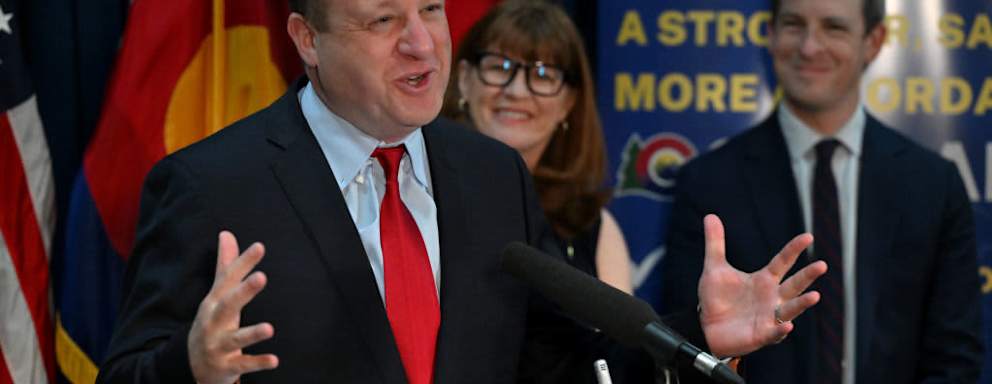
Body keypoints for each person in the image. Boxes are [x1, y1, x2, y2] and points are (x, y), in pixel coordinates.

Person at [95, 0, 826, 383]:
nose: (423, 44)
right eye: (384, 20)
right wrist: (188, 368)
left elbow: (560, 367)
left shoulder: (490, 175)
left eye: (433, 10)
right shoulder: (211, 185)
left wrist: (695, 335)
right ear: (307, 39)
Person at [660, 0, 983, 383]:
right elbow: (681, 349)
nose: (810, 47)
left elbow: (955, 358)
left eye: (834, 28)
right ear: (771, 33)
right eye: (794, 24)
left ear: (874, 41)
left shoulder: (934, 184)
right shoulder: (708, 183)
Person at [441, 1, 631, 293]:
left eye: (542, 75)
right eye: (499, 67)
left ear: (568, 102)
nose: (516, 91)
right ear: (465, 80)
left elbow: (617, 339)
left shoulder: (593, 226)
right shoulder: (420, 198)